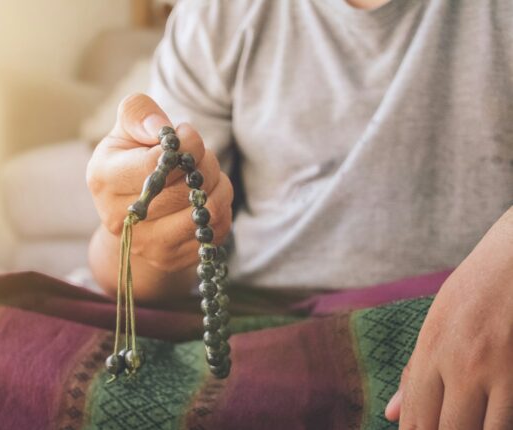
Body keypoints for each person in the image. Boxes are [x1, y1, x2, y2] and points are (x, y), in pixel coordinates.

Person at [86, 0, 513, 427]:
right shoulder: (217, 15)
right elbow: (148, 274)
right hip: (257, 331)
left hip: (464, 331)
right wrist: (132, 230)